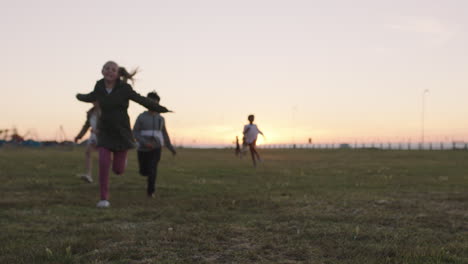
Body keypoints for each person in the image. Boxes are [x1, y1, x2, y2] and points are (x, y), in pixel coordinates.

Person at [76, 61, 171, 208]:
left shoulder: (124, 88)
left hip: (121, 133)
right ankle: (103, 198)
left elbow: (141, 100)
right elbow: (91, 96)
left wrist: (160, 108)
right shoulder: (99, 86)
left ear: (117, 73)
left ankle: (121, 161)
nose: (109, 71)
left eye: (113, 69)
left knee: (118, 170)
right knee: (103, 163)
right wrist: (79, 96)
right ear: (102, 71)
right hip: (105, 132)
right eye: (107, 68)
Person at [133, 91, 176, 198]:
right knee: (144, 171)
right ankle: (146, 174)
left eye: (154, 102)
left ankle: (150, 192)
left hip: (156, 148)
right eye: (149, 102)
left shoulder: (161, 119)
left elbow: (164, 133)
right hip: (143, 149)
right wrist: (145, 142)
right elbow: (135, 132)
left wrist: (170, 147)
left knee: (153, 169)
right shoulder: (141, 117)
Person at [74, 102, 101, 183]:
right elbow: (86, 125)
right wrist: (79, 136)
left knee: (105, 157)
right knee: (88, 152)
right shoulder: (91, 112)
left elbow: (109, 124)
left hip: (104, 136)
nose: (94, 102)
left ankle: (120, 163)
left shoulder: (105, 111)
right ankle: (88, 175)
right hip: (93, 136)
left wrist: (99, 131)